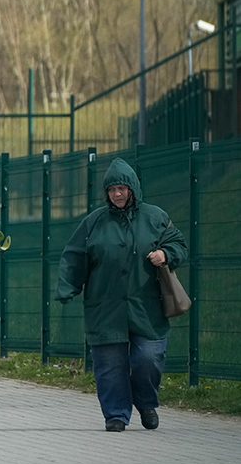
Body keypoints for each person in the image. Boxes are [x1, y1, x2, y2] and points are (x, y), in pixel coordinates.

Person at [55, 158, 187, 432]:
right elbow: (74, 256)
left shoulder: (155, 217)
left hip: (147, 306)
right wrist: (68, 286)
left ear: (133, 189)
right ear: (106, 192)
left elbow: (178, 243)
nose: (117, 194)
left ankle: (146, 402)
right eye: (112, 189)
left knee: (148, 359)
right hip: (105, 308)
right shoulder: (94, 222)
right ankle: (116, 414)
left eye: (122, 189)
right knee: (109, 364)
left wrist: (166, 254)